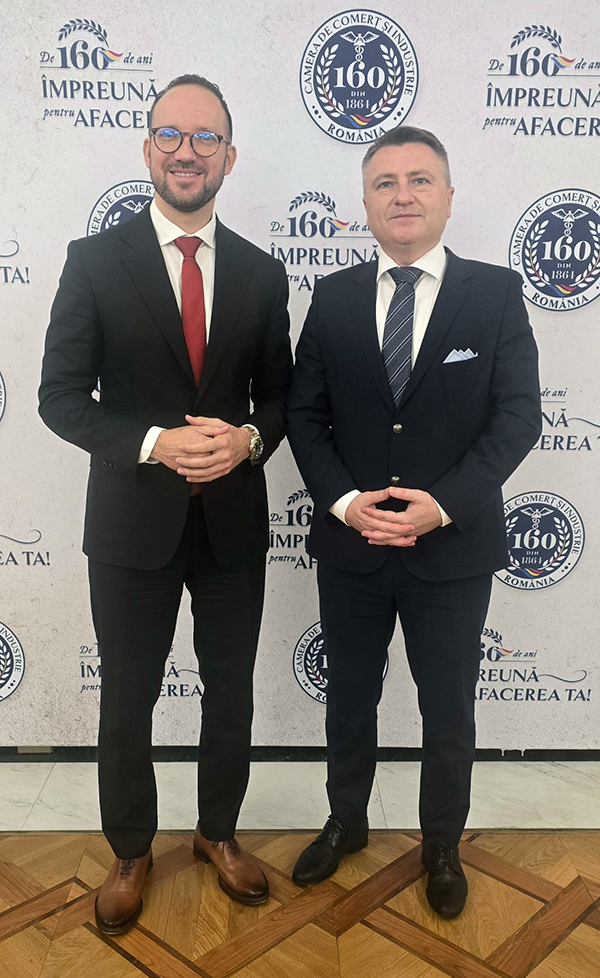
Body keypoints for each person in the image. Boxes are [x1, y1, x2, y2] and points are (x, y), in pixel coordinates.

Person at [39, 74, 292, 934]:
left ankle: (218, 833)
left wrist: (248, 439)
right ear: (148, 147)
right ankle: (130, 850)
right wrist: (152, 442)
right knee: (127, 698)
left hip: (232, 524)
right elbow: (60, 398)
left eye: (206, 137)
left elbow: (281, 398)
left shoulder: (262, 272)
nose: (188, 152)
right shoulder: (93, 262)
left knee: (230, 694)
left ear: (229, 156)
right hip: (129, 525)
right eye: (172, 135)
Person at [287, 125, 541, 918]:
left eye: (420, 179)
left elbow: (518, 417)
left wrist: (443, 505)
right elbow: (305, 415)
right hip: (353, 545)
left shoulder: (495, 293)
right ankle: (346, 822)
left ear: (448, 197)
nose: (403, 194)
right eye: (386, 182)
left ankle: (441, 846)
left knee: (449, 709)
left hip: (452, 550)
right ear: (365, 202)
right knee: (348, 698)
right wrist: (343, 503)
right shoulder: (331, 296)